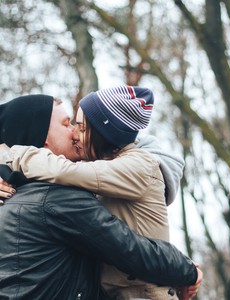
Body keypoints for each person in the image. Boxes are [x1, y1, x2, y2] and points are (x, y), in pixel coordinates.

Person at [0, 94, 202, 300]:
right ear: (42, 140)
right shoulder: (59, 199)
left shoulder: (13, 196)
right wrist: (187, 270)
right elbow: (130, 250)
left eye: (80, 126)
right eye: (67, 124)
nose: (75, 133)